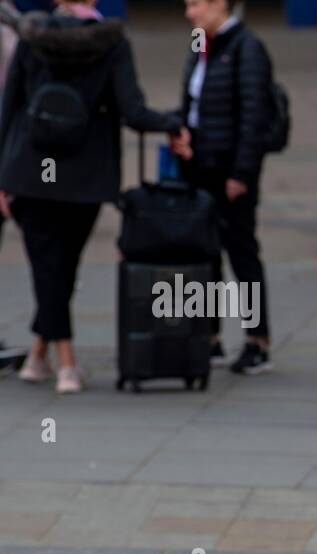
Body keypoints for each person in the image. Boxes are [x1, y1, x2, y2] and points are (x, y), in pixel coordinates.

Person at [0, 0, 186, 394]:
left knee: (49, 268)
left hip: (32, 169)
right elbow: (132, 111)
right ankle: (63, 360)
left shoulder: (30, 38)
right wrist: (171, 123)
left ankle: (41, 354)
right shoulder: (112, 44)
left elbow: (8, 106)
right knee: (62, 265)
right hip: (85, 174)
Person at [169, 0, 273, 374]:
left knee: (242, 254)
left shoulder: (247, 48)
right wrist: (180, 133)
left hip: (229, 171)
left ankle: (257, 340)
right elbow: (191, 103)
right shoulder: (200, 44)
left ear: (219, 5)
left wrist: (241, 174)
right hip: (198, 168)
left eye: (195, 4)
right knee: (204, 254)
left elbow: (254, 118)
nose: (189, 13)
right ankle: (208, 338)